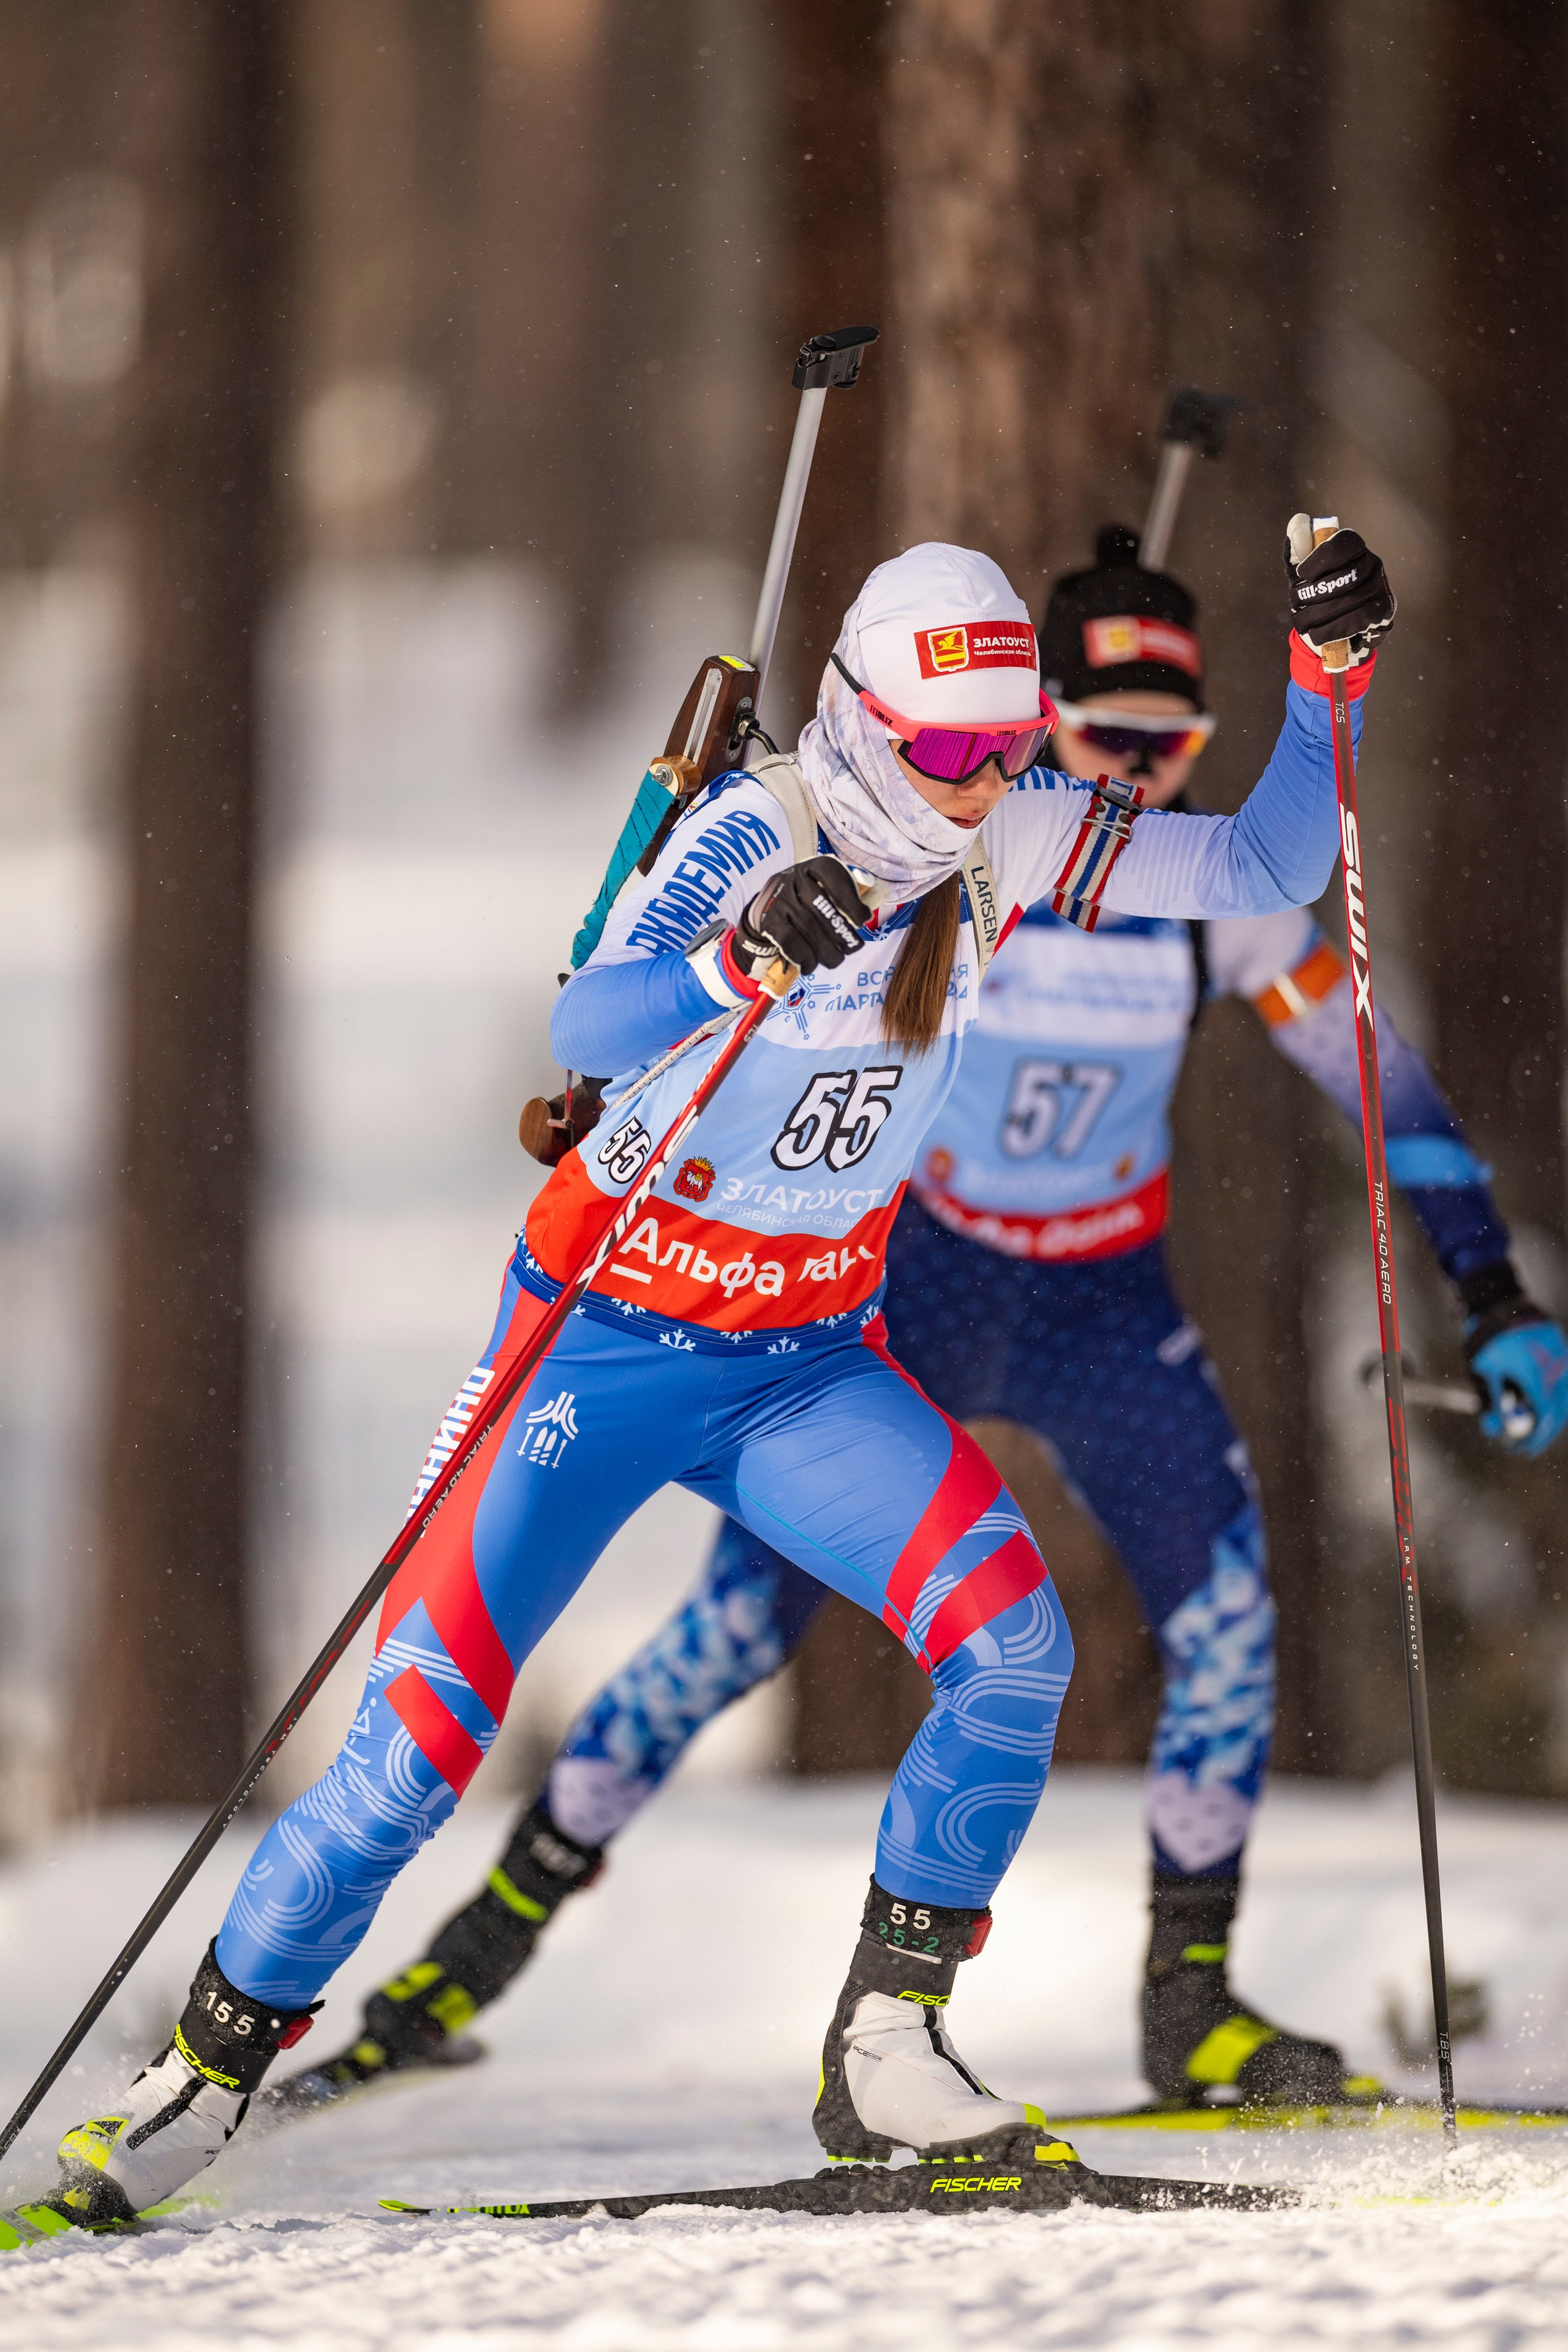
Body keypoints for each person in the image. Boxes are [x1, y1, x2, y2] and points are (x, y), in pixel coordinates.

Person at [54, 522, 1395, 2228]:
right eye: (950, 755)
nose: (985, 788)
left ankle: (890, 2047)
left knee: (1013, 1647)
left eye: (1009, 751)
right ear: (861, 723)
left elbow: (1269, 863)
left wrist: (1333, 679)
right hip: (603, 1344)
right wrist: (743, 952)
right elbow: (591, 1028)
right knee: (417, 1743)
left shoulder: (1008, 844)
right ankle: (209, 2066)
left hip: (799, 1362)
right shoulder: (761, 824)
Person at [278, 526, 1568, 2124]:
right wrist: (723, 959)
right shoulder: (884, 839)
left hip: (1095, 1295)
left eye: (1161, 749)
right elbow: (615, 1010)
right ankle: (469, 1947)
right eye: (1096, 743)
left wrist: (1488, 1282)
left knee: (1207, 1626)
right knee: (724, 1636)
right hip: (910, 1280)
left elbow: (1364, 1047)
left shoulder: (1120, 873)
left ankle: (1175, 1999)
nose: (1123, 778)